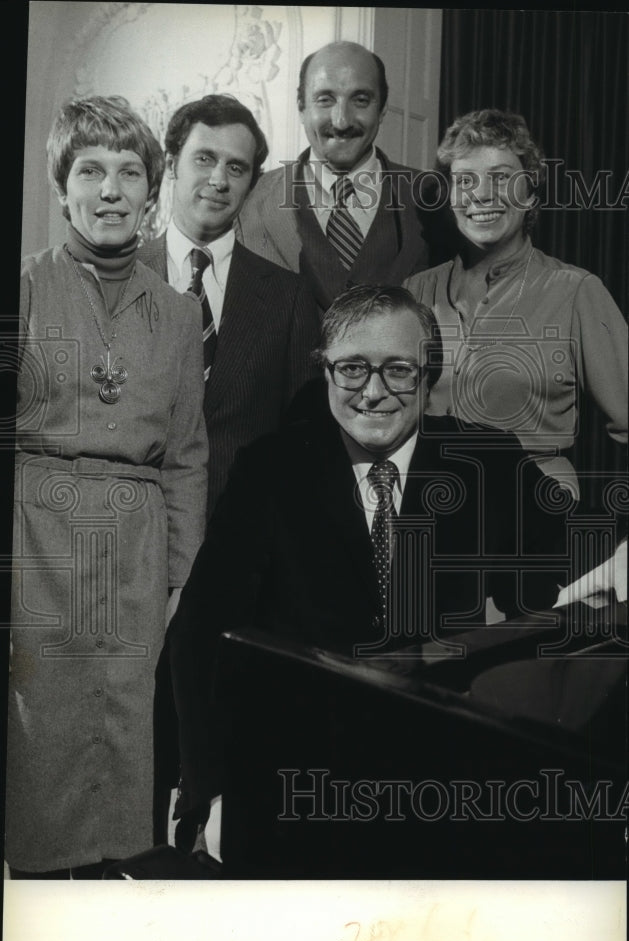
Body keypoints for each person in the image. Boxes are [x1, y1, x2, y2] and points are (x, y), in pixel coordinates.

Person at [161, 284, 597, 833]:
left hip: (444, 782)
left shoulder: (487, 462)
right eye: (352, 369)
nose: (373, 392)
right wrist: (215, 791)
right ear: (325, 374)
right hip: (298, 781)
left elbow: (569, 567)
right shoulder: (270, 471)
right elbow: (201, 634)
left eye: (398, 370)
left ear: (428, 375)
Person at [6, 96, 208, 878]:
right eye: (91, 171)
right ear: (63, 187)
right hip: (37, 541)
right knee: (40, 734)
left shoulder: (181, 315)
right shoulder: (21, 291)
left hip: (135, 546)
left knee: (127, 732)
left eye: (130, 172)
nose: (112, 189)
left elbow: (187, 456)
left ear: (152, 193)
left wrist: (181, 576)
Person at [405, 108, 628, 499]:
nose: (481, 195)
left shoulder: (576, 291)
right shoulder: (417, 292)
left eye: (501, 178)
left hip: (534, 510)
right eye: (465, 180)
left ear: (531, 194)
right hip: (429, 502)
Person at [138, 94, 321, 521]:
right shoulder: (121, 278)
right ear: (170, 165)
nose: (219, 180)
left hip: (244, 543)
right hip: (133, 538)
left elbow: (303, 443)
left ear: (252, 183)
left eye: (235, 167)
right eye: (204, 159)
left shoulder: (288, 298)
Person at [236, 41, 429, 312]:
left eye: (360, 100)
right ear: (301, 107)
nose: (341, 121)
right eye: (325, 100)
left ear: (383, 108)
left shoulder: (434, 196)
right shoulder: (248, 199)